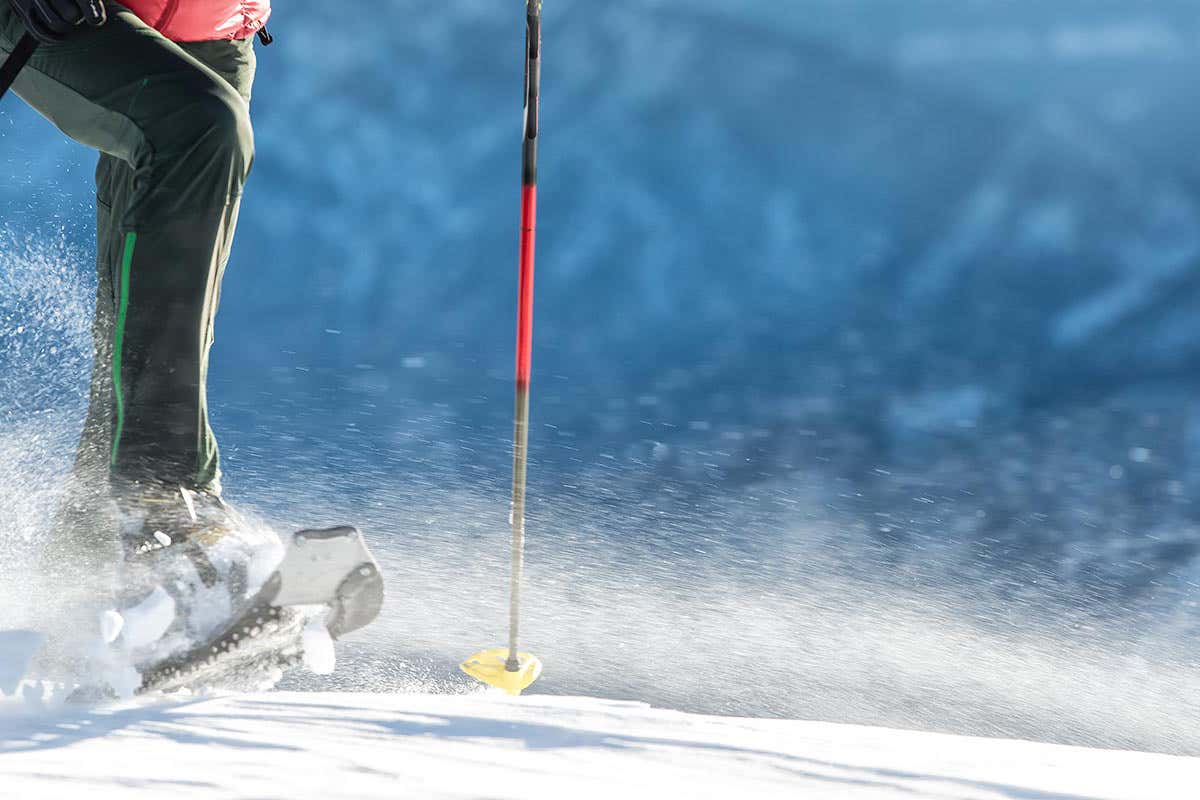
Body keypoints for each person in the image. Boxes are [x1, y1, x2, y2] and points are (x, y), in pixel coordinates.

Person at [0, 0, 276, 649]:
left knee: (153, 330)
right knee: (197, 126)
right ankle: (166, 501)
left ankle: (72, 620)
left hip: (215, 26)